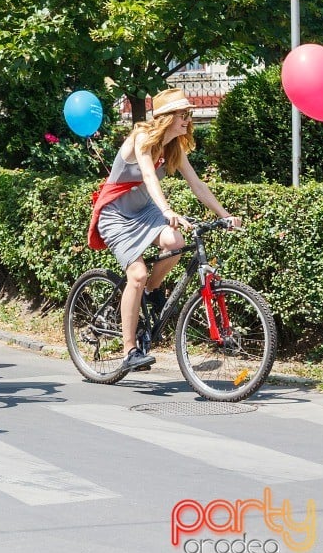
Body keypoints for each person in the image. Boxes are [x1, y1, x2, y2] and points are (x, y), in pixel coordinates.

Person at [88, 87, 242, 372]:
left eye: (188, 114)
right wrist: (167, 210)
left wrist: (225, 215)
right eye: (183, 114)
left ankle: (152, 290)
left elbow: (197, 185)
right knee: (137, 273)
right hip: (116, 214)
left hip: (144, 210)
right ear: (167, 117)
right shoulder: (142, 137)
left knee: (175, 240)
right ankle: (129, 350)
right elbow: (147, 175)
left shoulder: (174, 147)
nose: (188, 119)